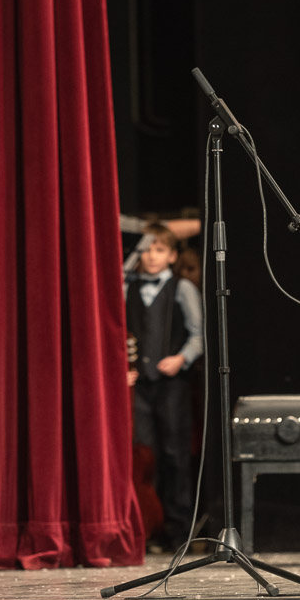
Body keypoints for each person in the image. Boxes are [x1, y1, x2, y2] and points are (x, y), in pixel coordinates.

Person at [125, 223, 204, 551]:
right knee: (145, 457)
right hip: (139, 386)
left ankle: (179, 532)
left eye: (159, 250)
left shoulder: (181, 287)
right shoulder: (126, 284)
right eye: (145, 249)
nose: (151, 256)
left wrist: (180, 359)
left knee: (174, 454)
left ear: (172, 256)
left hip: (172, 384)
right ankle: (146, 529)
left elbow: (198, 334)